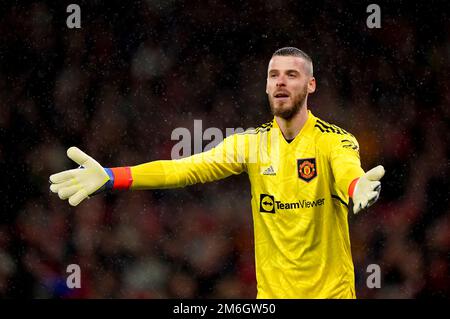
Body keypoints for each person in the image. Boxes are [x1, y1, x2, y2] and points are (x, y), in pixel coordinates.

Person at [49, 47, 385, 298]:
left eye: (291, 75)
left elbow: (348, 171)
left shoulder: (333, 140)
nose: (281, 82)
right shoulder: (251, 144)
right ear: (267, 87)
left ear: (311, 85)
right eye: (273, 75)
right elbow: (184, 169)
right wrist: (111, 176)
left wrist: (358, 187)